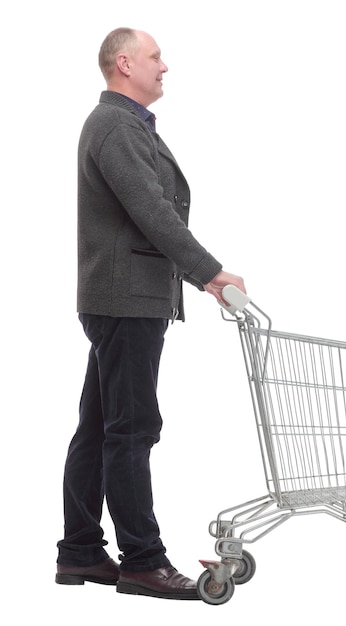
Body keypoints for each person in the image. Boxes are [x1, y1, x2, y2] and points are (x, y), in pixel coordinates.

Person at [55, 27, 246, 601]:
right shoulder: (115, 124)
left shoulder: (123, 124)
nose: (165, 67)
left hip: (121, 298)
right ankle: (143, 560)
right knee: (132, 430)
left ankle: (81, 550)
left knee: (99, 427)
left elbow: (150, 210)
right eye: (155, 57)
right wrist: (211, 273)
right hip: (127, 301)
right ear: (124, 63)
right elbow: (152, 212)